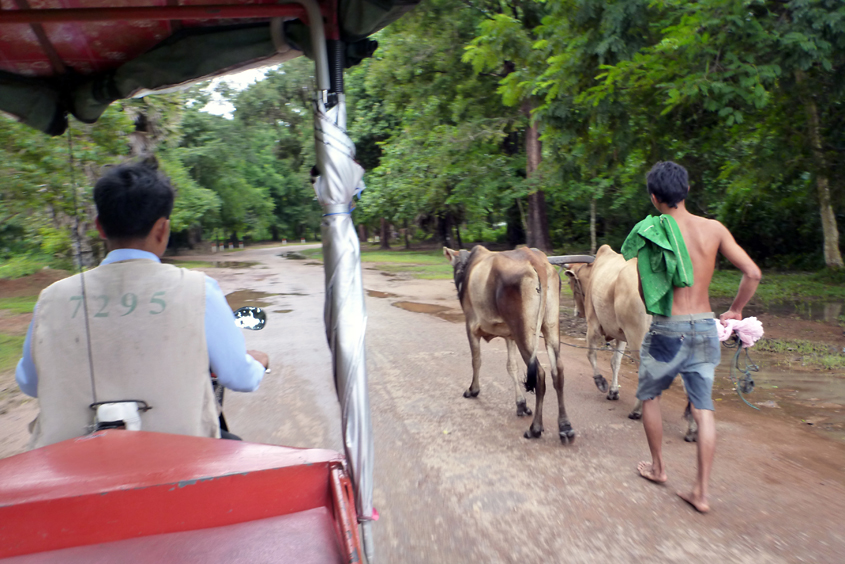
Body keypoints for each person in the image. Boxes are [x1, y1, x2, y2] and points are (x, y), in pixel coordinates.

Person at [15, 161, 269, 448]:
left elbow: (30, 383)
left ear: (100, 227)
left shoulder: (51, 297)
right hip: (179, 459)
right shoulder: (199, 289)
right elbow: (239, 377)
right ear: (162, 229)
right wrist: (258, 363)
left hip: (67, 465)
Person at [621, 161, 761, 513]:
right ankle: (701, 492)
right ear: (686, 191)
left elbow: (645, 290)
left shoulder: (652, 232)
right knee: (703, 409)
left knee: (650, 398)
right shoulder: (713, 229)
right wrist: (735, 310)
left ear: (654, 197)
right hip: (704, 327)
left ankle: (658, 468)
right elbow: (752, 272)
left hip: (667, 328)